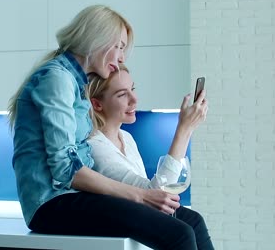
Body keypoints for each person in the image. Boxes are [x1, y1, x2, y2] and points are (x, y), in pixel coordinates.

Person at [7, 4, 205, 250]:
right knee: (178, 234)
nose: (121, 57)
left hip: (76, 198)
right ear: (96, 40)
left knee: (192, 221)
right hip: (49, 205)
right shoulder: (57, 79)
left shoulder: (75, 84)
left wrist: (141, 196)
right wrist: (142, 196)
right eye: (119, 46)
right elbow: (66, 170)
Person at [87, 64, 214, 250]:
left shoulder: (126, 138)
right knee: (182, 233)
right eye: (122, 95)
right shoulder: (94, 146)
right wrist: (184, 129)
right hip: (117, 219)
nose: (134, 99)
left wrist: (187, 129)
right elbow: (154, 198)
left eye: (132, 89)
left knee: (194, 220)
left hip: (136, 214)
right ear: (97, 104)